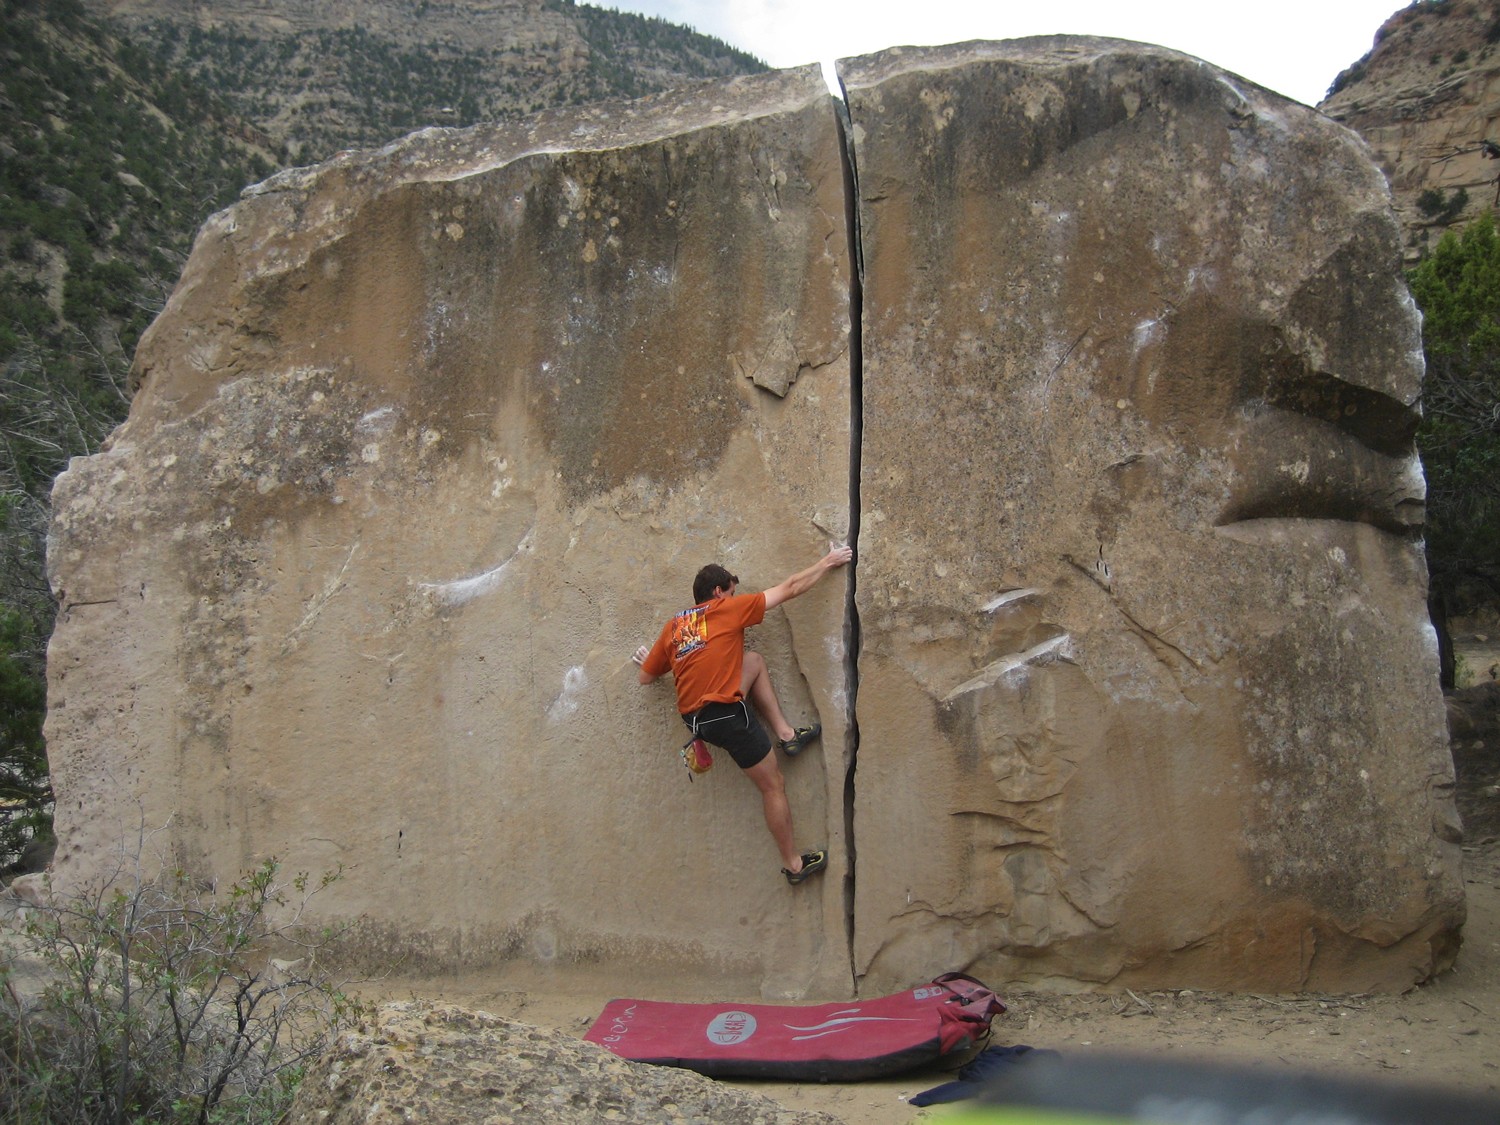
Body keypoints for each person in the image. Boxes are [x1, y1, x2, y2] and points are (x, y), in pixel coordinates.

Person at [634, 543, 854, 885]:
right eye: (732, 592)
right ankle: (794, 866)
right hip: (724, 717)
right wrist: (828, 561)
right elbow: (791, 587)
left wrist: (659, 658)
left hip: (696, 722)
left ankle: (786, 735)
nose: (735, 597)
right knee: (773, 785)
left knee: (752, 662)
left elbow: (646, 676)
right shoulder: (728, 609)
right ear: (718, 592)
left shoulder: (675, 628)